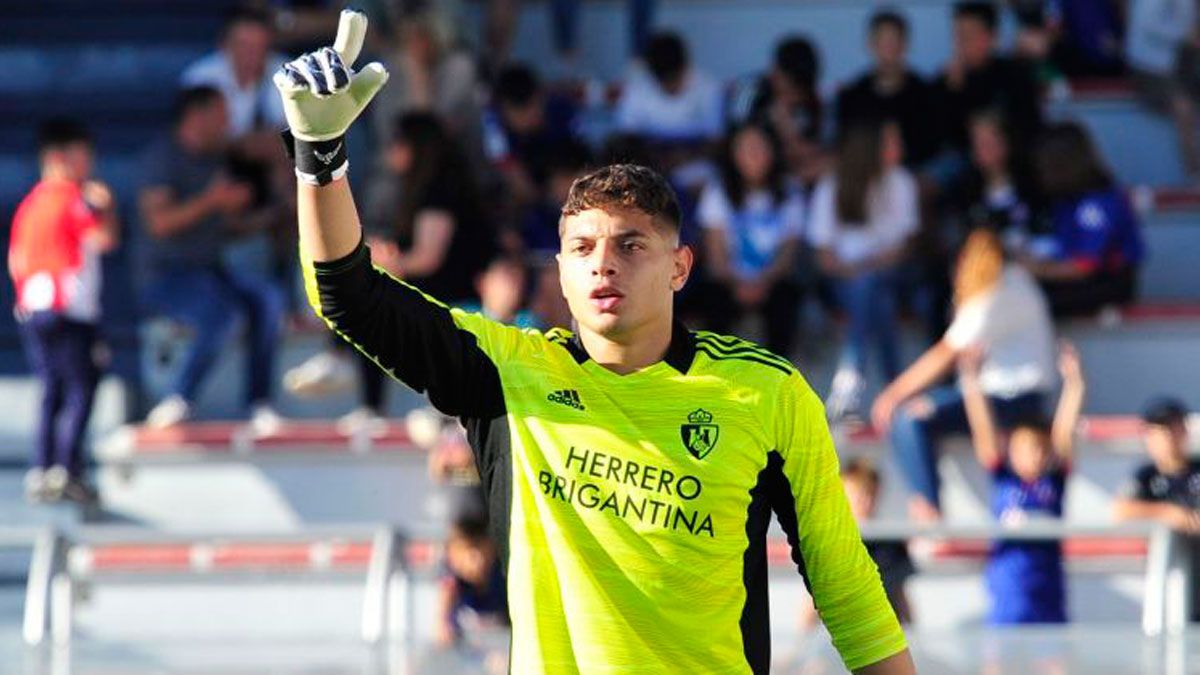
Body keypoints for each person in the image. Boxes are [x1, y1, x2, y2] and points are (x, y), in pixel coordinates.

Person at [271, 12, 915, 673]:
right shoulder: (507, 371)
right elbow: (346, 296)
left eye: (631, 245)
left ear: (680, 267)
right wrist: (319, 157)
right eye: (582, 248)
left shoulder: (768, 391)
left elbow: (849, 590)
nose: (604, 264)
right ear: (560, 271)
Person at [287, 112, 496, 432]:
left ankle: (350, 372)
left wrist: (387, 263)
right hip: (437, 291)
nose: (390, 152)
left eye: (396, 143)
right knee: (363, 287)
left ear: (417, 148)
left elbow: (427, 258)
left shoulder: (440, 191)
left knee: (368, 294)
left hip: (457, 297)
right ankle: (347, 368)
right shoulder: (417, 189)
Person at [872, 229, 1056, 521]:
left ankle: (929, 510)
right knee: (918, 413)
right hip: (1002, 396)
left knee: (909, 418)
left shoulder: (1004, 288)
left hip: (1012, 400)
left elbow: (948, 352)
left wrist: (892, 395)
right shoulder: (1016, 284)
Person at [138, 86, 285, 432]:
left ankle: (259, 402)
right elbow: (160, 223)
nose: (228, 123)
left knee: (267, 300)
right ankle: (179, 397)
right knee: (219, 312)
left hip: (211, 272)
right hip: (167, 278)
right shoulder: (163, 158)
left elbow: (223, 227)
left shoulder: (215, 161)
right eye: (222, 114)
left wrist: (268, 217)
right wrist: (213, 200)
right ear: (197, 116)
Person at [9, 119, 119, 504]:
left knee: (51, 390)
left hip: (32, 308)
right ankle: (67, 469)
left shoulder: (28, 205)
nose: (87, 164)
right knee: (79, 389)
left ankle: (43, 468)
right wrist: (105, 208)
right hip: (67, 308)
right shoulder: (73, 198)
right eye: (81, 156)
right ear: (59, 158)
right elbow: (104, 240)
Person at [963, 341, 1085, 624]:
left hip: (1049, 595)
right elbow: (983, 432)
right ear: (1012, 452)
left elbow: (1064, 433)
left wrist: (1074, 383)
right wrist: (972, 382)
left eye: (1041, 448)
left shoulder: (1053, 483)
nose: (1035, 456)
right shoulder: (1003, 478)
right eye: (1026, 448)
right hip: (1009, 594)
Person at [808, 122, 918, 422]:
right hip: (844, 281)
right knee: (875, 298)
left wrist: (865, 268)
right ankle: (899, 388)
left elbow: (904, 247)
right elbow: (823, 256)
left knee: (872, 287)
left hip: (891, 276)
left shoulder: (902, 181)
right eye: (891, 143)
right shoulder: (833, 186)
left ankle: (849, 388)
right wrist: (856, 270)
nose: (899, 150)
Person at [698, 123, 805, 358]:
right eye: (746, 149)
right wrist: (738, 284)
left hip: (773, 280)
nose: (753, 156)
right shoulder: (718, 191)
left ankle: (779, 379)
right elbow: (716, 255)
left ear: (773, 151)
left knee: (786, 300)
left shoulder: (790, 191)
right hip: (728, 281)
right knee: (713, 301)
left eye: (759, 147)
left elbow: (788, 253)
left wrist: (762, 283)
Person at [1023, 122, 1144, 317]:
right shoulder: (1066, 199)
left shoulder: (1097, 203)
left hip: (1107, 283)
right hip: (1075, 277)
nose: (1040, 171)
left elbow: (1085, 265)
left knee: (1030, 303)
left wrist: (1034, 269)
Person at [931, 2, 1042, 185]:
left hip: (1012, 158)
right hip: (963, 160)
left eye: (969, 35)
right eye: (958, 36)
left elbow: (1030, 126)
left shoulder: (1014, 75)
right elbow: (939, 139)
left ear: (992, 37)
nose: (961, 43)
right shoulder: (945, 82)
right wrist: (953, 94)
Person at [801, 457, 916, 628]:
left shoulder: (891, 543)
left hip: (880, 635)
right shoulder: (828, 543)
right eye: (859, 494)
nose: (866, 501)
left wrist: (912, 638)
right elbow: (813, 602)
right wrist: (798, 649)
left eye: (870, 493)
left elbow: (900, 597)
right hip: (840, 637)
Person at [1112, 397, 1200, 619]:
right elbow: (1121, 510)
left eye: (1173, 429)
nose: (1168, 438)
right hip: (1171, 577)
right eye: (1160, 431)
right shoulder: (1146, 476)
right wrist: (1168, 513)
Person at [836, 9, 937, 169]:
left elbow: (931, 150)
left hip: (914, 176)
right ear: (870, 44)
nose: (889, 49)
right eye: (883, 41)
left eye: (894, 41)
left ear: (905, 44)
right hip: (863, 177)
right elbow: (845, 147)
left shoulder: (926, 95)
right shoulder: (853, 96)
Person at [730, 35, 827, 183]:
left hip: (792, 174)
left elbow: (812, 151)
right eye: (791, 87)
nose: (795, 96)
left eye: (800, 91)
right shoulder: (750, 92)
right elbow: (735, 141)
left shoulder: (813, 101)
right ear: (776, 72)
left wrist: (786, 127)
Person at [1127, 0, 1200, 179]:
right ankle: (1195, 171)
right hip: (1149, 66)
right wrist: (1185, 35)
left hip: (1181, 60)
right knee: (1183, 107)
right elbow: (1147, 23)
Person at [614, 31, 723, 142]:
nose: (670, 86)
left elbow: (715, 138)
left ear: (685, 67)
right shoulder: (635, 89)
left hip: (696, 156)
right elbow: (626, 137)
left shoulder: (708, 87)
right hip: (648, 155)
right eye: (664, 80)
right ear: (652, 74)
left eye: (674, 78)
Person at [954, 109, 1041, 245]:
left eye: (990, 141)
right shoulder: (965, 193)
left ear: (1006, 142)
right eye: (978, 143)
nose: (984, 149)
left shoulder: (1033, 185)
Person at [436, 513, 510, 647]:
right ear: (453, 558)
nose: (478, 560)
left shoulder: (504, 574)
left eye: (481, 549)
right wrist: (443, 622)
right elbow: (447, 590)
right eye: (469, 553)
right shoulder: (455, 586)